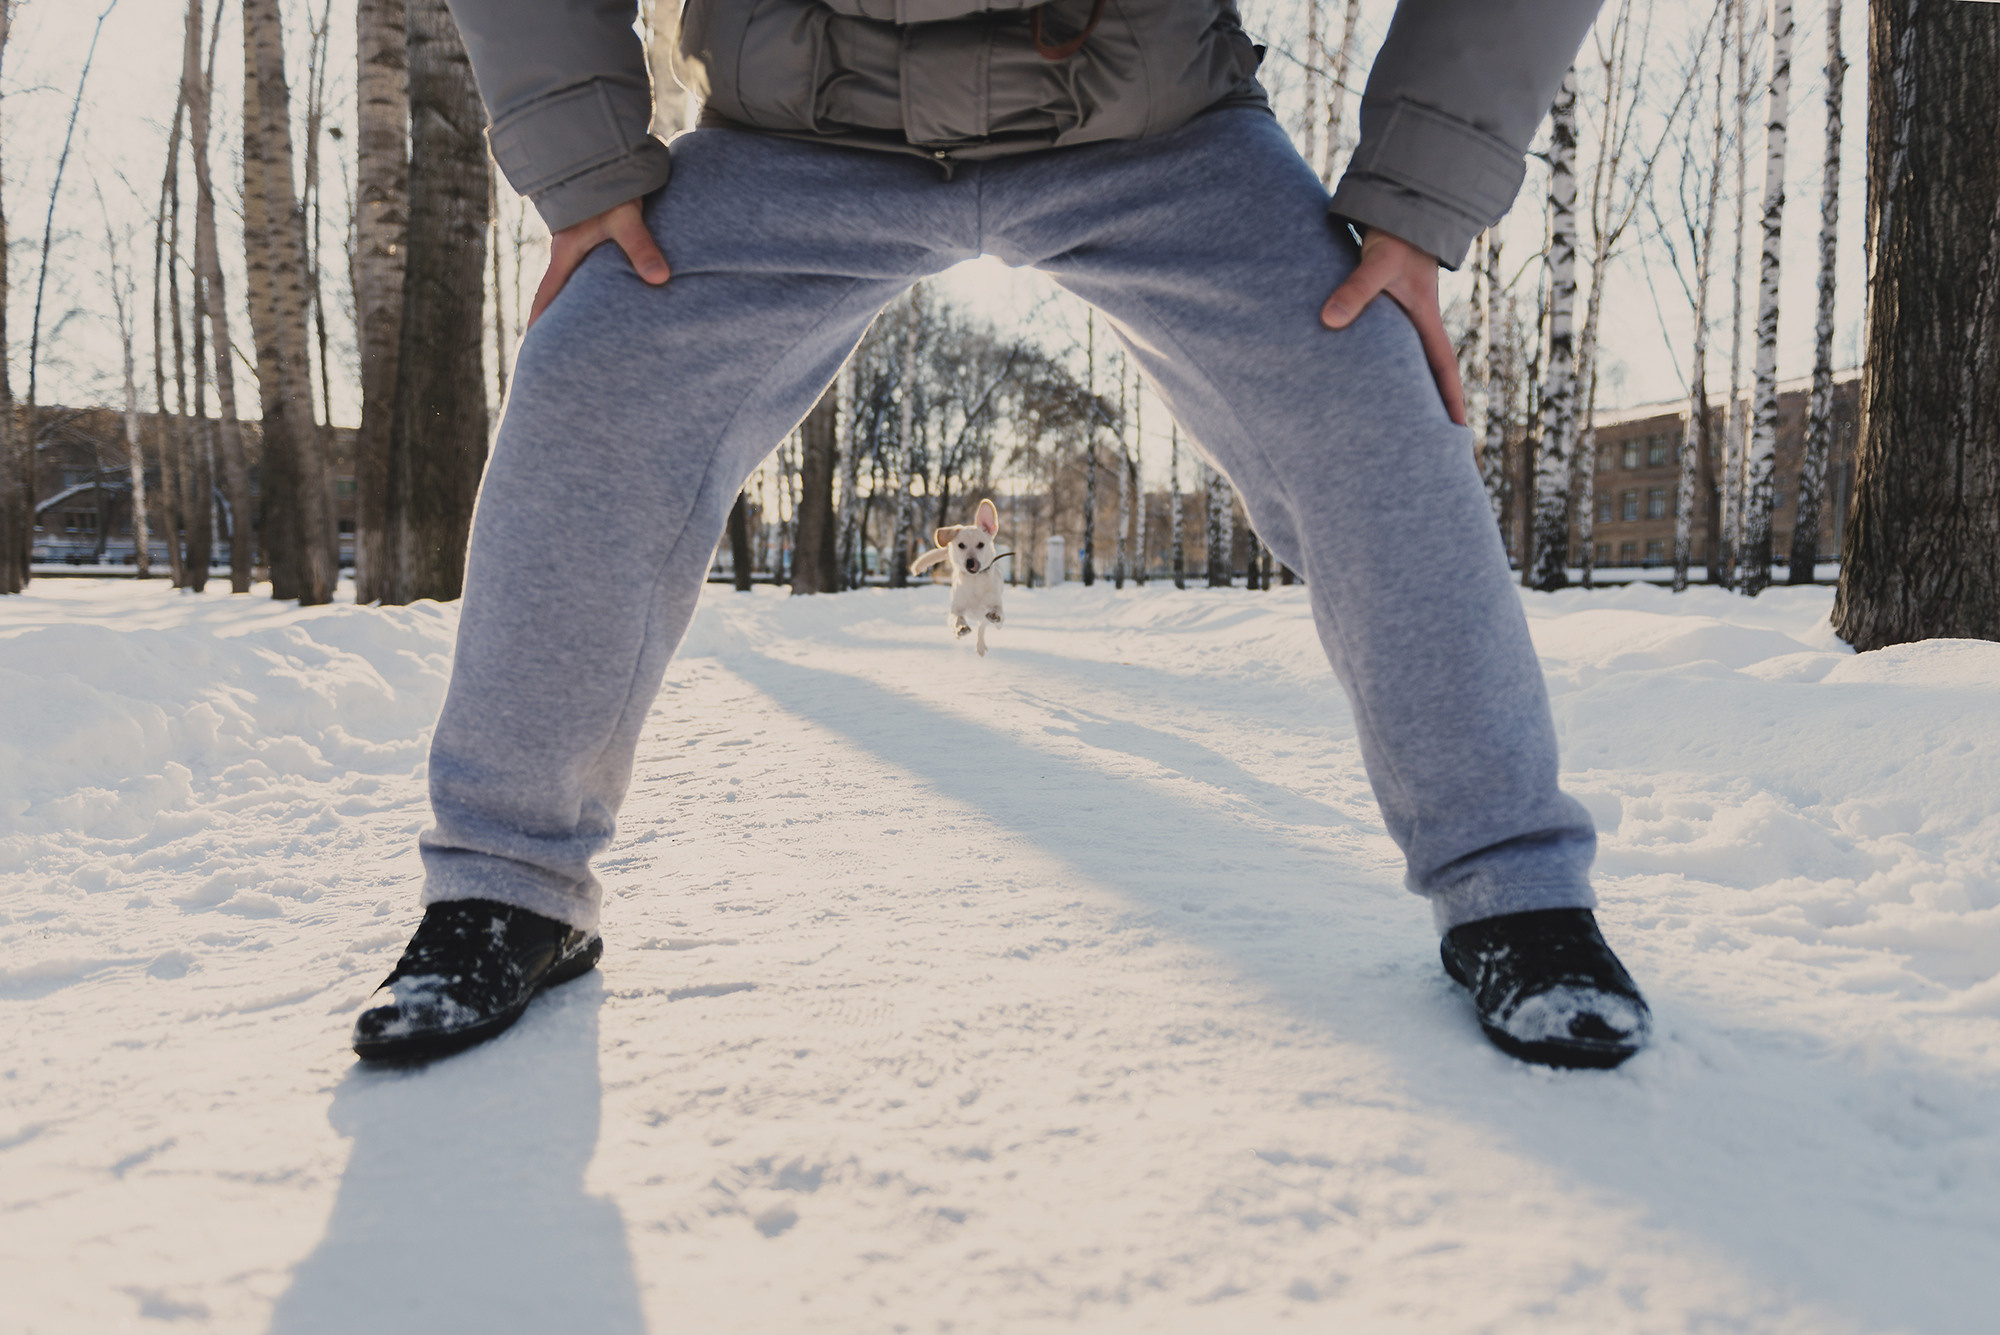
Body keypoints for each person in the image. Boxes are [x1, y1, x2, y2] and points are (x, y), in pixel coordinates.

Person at [353, 0, 1651, 1071]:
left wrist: (1422, 196)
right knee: (590, 381)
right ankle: (505, 886)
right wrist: (585, 168)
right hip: (794, 125)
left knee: (1370, 398)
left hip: (1155, 120)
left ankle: (1515, 888)